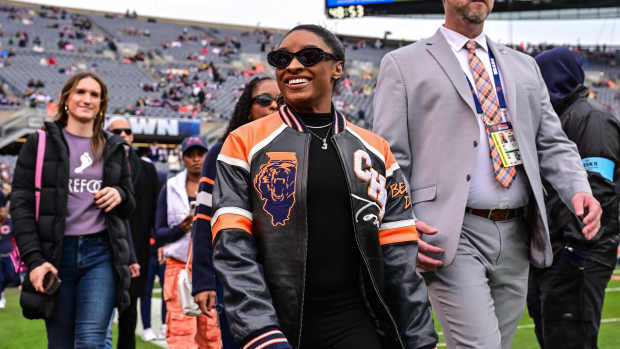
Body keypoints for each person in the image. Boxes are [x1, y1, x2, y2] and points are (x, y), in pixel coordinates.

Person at [373, 0, 604, 348]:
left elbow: (552, 142)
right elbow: (391, 156)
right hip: (452, 230)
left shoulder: (524, 66)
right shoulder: (404, 64)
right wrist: (400, 224)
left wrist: (577, 188)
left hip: (518, 232)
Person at [211, 24, 437, 349]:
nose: (292, 66)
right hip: (274, 327)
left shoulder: (377, 151)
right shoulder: (243, 142)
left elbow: (400, 262)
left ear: (337, 68)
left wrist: (420, 341)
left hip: (354, 324)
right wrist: (262, 334)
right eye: (281, 58)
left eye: (309, 56)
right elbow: (233, 248)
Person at [11, 71, 135, 348]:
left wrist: (119, 194)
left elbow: (130, 203)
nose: (87, 99)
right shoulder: (39, 143)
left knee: (91, 341)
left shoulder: (114, 147)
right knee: (61, 343)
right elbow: (20, 205)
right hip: (56, 255)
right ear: (66, 98)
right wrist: (34, 260)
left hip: (100, 254)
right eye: (80, 92)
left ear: (101, 105)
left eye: (94, 95)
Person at [527, 47, 620, 349]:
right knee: (552, 334)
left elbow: (599, 194)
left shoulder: (591, 120)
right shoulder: (557, 119)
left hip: (576, 255)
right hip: (554, 250)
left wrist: (574, 253)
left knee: (570, 338)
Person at [192, 75, 279, 349]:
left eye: (282, 101)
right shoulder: (221, 152)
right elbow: (205, 219)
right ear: (248, 107)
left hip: (286, 273)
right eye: (265, 100)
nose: (274, 107)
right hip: (235, 273)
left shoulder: (301, 150)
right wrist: (203, 279)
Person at [155, 136, 221, 349]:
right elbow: (159, 232)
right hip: (178, 265)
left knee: (211, 335)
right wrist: (180, 229)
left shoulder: (219, 183)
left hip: (210, 266)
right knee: (181, 334)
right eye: (190, 155)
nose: (196, 159)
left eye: (200, 154)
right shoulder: (170, 187)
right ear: (182, 158)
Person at [108, 116, 160, 349]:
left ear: (132, 136)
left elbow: (156, 212)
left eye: (127, 131)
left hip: (138, 251)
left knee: (130, 314)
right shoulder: (98, 167)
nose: (123, 135)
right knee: (100, 316)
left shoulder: (148, 170)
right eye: (116, 131)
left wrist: (155, 245)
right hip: (105, 250)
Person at [0, 204, 14, 309]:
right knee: (0, 278)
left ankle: (1, 291)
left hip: (8, 255)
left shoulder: (10, 222)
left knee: (10, 276)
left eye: (3, 211)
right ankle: (1, 297)